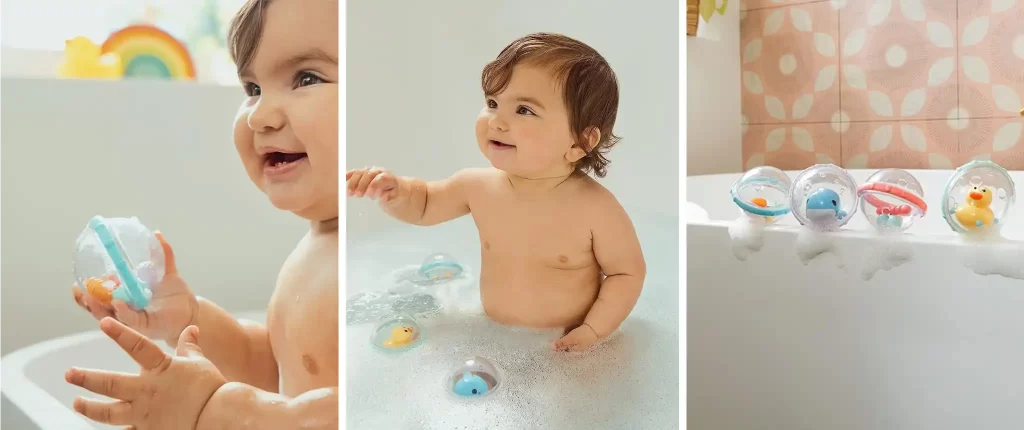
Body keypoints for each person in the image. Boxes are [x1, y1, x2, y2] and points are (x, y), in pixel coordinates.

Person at [65, 0, 339, 427]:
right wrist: (189, 319)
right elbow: (276, 371)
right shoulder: (315, 253)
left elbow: (373, 408)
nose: (261, 116)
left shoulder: (378, 255)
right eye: (252, 89)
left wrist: (219, 411)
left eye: (305, 78)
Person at [347, 33, 646, 352]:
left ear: (581, 142)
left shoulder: (596, 208)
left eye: (524, 110)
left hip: (564, 344)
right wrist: (394, 191)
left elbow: (626, 273)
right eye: (492, 103)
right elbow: (424, 204)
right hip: (492, 337)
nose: (497, 121)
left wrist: (593, 330)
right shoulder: (477, 186)